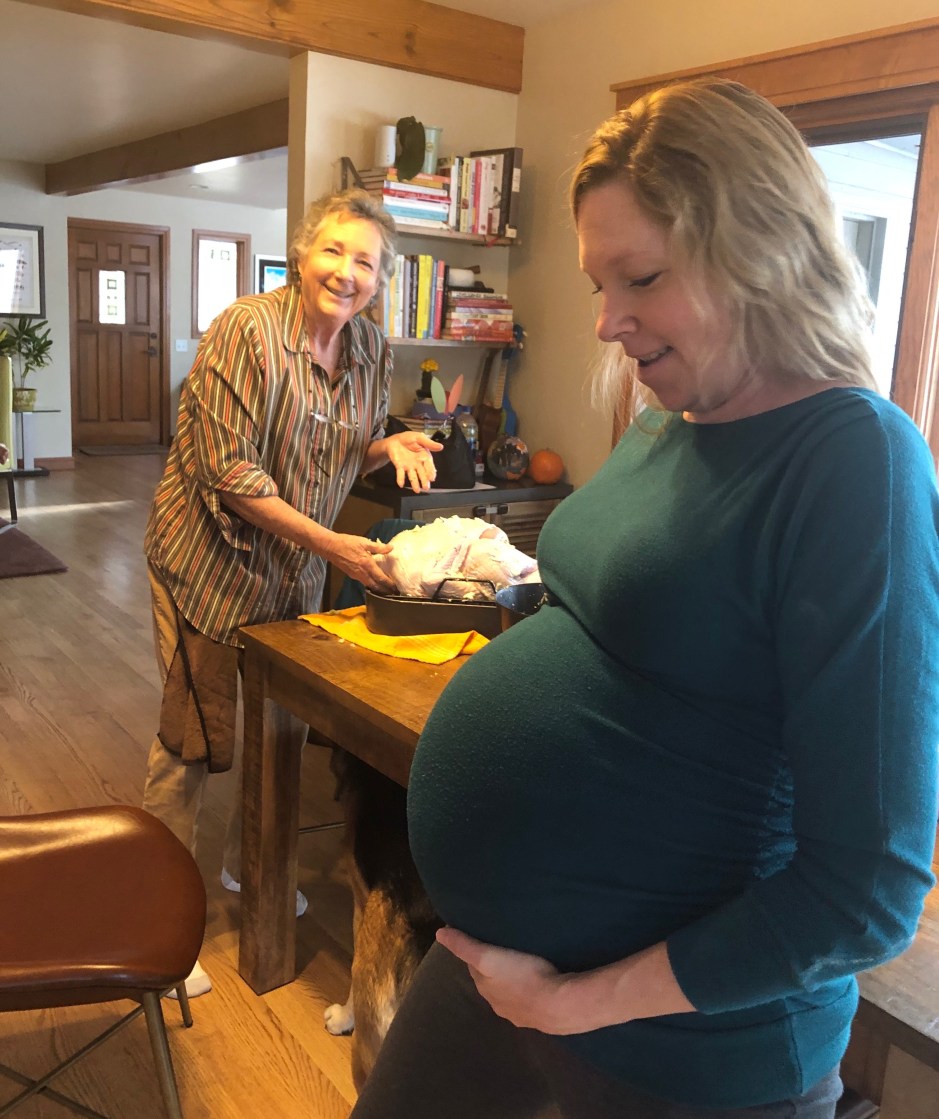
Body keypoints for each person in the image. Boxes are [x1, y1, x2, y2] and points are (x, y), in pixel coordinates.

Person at [350, 79, 939, 1118]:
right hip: (499, 965)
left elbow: (868, 892)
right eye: (598, 282)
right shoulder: (674, 414)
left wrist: (575, 1003)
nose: (607, 321)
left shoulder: (854, 460)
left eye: (643, 278)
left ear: (763, 247)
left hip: (683, 1049)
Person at [142, 187, 441, 997]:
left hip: (290, 573)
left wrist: (386, 446)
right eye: (333, 251)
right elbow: (231, 473)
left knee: (279, 729)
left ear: (381, 279)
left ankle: (252, 866)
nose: (346, 272)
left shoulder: (371, 347)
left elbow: (338, 447)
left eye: (365, 261)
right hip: (206, 563)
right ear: (302, 254)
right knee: (193, 740)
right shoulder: (246, 331)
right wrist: (331, 543)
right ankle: (156, 925)